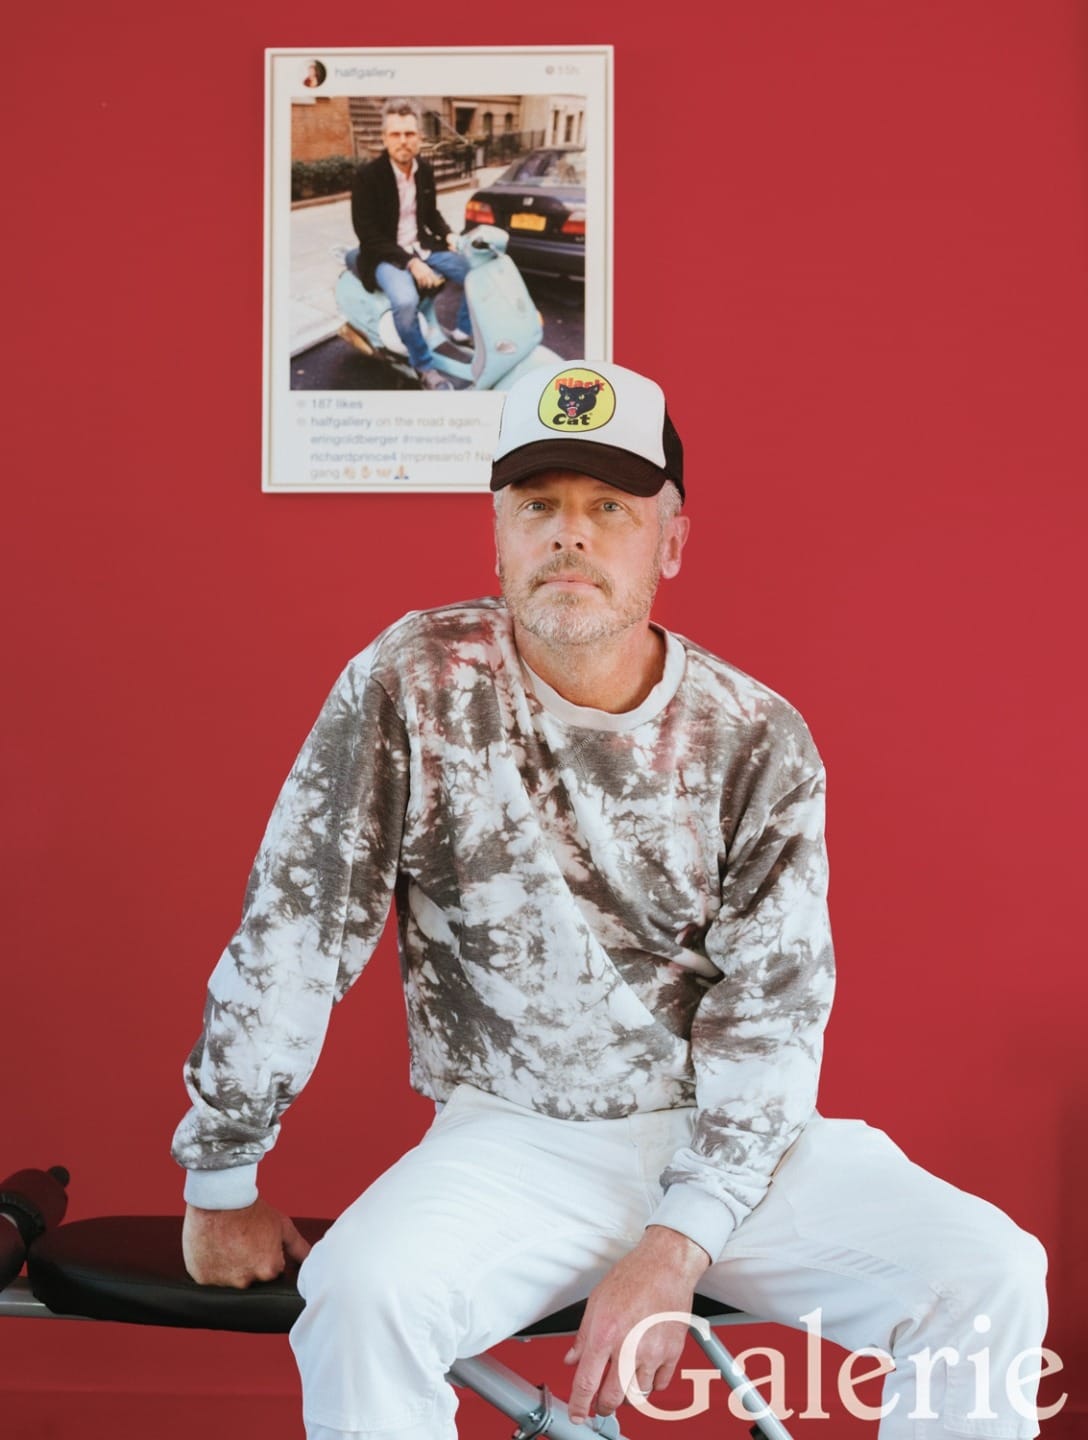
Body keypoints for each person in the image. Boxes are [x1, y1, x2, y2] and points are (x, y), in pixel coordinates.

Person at [175, 360, 1049, 1440]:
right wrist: (222, 1174)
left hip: (729, 1142)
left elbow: (770, 1015)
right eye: (536, 506)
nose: (568, 536)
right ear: (496, 531)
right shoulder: (414, 678)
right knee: (362, 1299)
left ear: (668, 541)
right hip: (511, 1141)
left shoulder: (754, 735)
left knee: (991, 1275)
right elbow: (300, 925)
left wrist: (678, 1240)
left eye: (609, 509)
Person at [349, 97, 472, 392]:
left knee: (473, 271)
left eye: (409, 134)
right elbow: (368, 235)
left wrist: (449, 235)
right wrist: (411, 263)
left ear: (420, 137)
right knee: (405, 302)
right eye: (396, 134)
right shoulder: (367, 178)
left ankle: (461, 331)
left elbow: (431, 214)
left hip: (423, 246)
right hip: (384, 255)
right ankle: (424, 366)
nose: (403, 141)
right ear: (384, 138)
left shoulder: (425, 171)